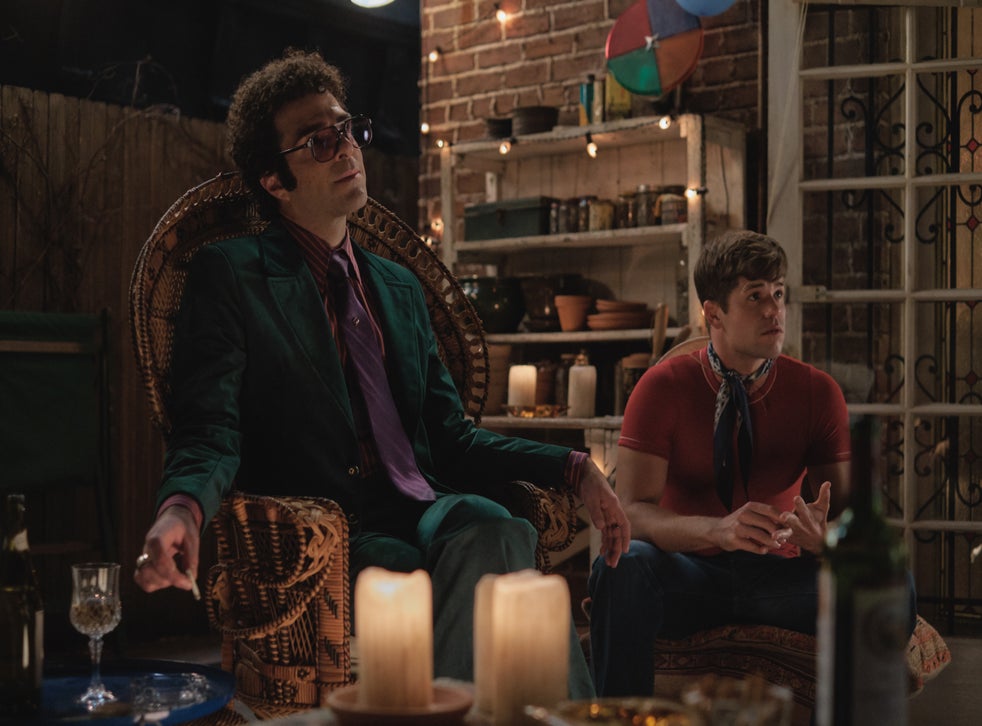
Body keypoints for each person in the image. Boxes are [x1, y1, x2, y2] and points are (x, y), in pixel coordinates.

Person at [132, 48, 630, 694]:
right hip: (326, 528)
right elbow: (209, 430)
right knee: (440, 569)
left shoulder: (398, 285)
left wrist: (573, 467)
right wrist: (181, 511)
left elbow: (452, 438)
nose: (345, 149)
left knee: (497, 526)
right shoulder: (231, 275)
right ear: (274, 181)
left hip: (423, 503)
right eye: (319, 141)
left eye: (347, 130)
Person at [588, 229, 889, 696]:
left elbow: (855, 523)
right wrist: (717, 530)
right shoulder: (662, 387)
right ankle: (620, 717)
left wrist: (825, 539)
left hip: (780, 581)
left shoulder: (816, 391)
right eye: (755, 296)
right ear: (714, 314)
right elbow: (631, 513)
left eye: (779, 294)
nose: (774, 310)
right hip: (687, 574)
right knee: (619, 564)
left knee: (889, 582)